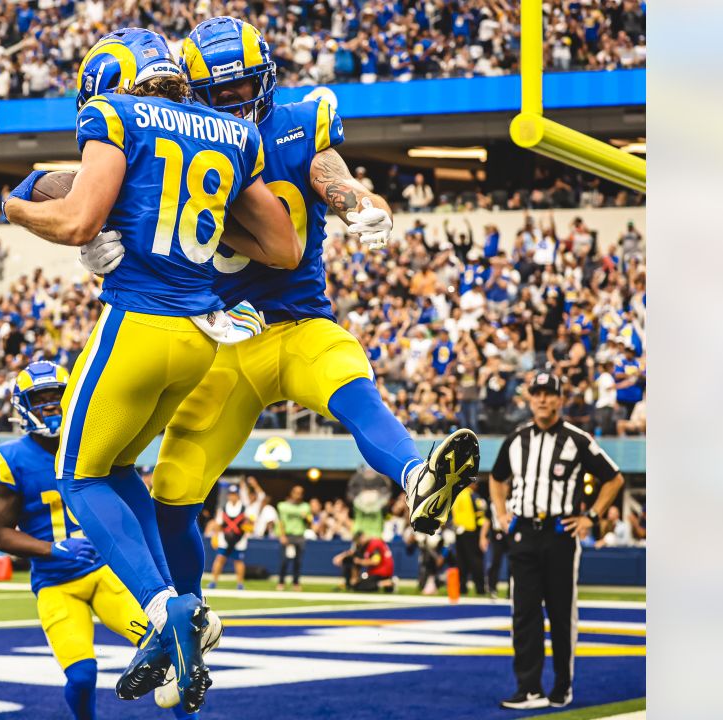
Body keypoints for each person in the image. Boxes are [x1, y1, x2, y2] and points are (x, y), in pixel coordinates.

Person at [131, 15, 479, 651]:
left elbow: (333, 175)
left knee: (351, 381)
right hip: (222, 340)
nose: (237, 100)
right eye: (223, 91)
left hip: (295, 325)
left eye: (246, 87)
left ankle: (416, 477)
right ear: (193, 91)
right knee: (174, 488)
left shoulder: (298, 123)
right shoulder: (168, 141)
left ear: (267, 80)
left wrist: (358, 207)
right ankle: (188, 619)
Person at [3, 27, 301, 713]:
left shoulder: (114, 114)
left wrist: (16, 207)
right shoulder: (232, 131)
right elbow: (282, 248)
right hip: (201, 335)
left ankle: (170, 610)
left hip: (137, 324)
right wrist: (178, 216)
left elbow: (78, 223)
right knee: (118, 469)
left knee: (77, 477)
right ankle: (179, 609)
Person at [0, 361, 199, 720]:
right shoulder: (11, 458)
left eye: (57, 396)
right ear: (22, 406)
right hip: (56, 583)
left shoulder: (97, 442)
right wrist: (52, 549)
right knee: (83, 676)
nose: (52, 406)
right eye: (42, 399)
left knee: (169, 647)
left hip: (107, 573)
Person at [489, 372, 625, 710]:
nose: (542, 399)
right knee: (524, 614)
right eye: (537, 393)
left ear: (560, 399)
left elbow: (614, 479)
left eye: (549, 393)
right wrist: (501, 514)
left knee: (561, 615)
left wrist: (590, 517)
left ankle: (562, 686)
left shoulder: (577, 440)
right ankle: (528, 688)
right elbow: (496, 477)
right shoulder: (517, 438)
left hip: (560, 534)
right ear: (530, 398)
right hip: (523, 535)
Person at [206, 484, 250, 591]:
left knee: (238, 560)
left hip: (239, 538)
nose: (232, 497)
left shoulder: (244, 508)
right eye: (231, 494)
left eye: (234, 494)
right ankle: (213, 581)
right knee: (220, 558)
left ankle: (240, 583)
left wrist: (248, 526)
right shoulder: (224, 508)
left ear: (238, 495)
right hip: (224, 538)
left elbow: (250, 522)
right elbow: (218, 524)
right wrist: (215, 537)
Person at [450, 485, 488, 595]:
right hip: (471, 532)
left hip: (459, 531)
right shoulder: (472, 495)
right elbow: (481, 516)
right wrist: (482, 534)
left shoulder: (456, 495)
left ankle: (462, 588)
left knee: (461, 561)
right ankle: (480, 589)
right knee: (475, 561)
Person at [275, 485, 311, 591]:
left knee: (298, 561)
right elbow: (280, 522)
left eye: (300, 493)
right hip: (288, 535)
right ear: (291, 493)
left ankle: (296, 583)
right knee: (284, 561)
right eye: (296, 492)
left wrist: (307, 518)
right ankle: (281, 581)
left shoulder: (305, 506)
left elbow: (309, 522)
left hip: (299, 536)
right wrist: (282, 535)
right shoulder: (283, 506)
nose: (298, 495)